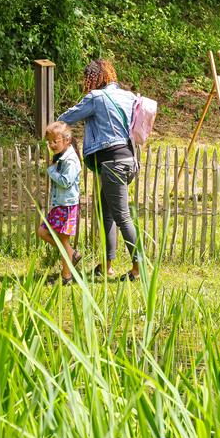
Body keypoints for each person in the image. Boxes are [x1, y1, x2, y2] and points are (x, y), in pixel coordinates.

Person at [58, 59, 141, 282]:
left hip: (113, 163)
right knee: (107, 214)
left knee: (122, 216)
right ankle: (106, 265)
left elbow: (65, 119)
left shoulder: (95, 98)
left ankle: (138, 269)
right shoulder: (129, 96)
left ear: (93, 78)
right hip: (128, 160)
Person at [37, 121, 83, 285]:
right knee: (43, 232)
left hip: (66, 206)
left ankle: (66, 277)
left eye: (55, 141)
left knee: (63, 241)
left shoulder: (70, 160)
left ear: (67, 140)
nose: (51, 145)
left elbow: (65, 181)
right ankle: (72, 254)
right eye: (49, 142)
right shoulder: (62, 157)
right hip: (60, 205)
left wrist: (51, 170)